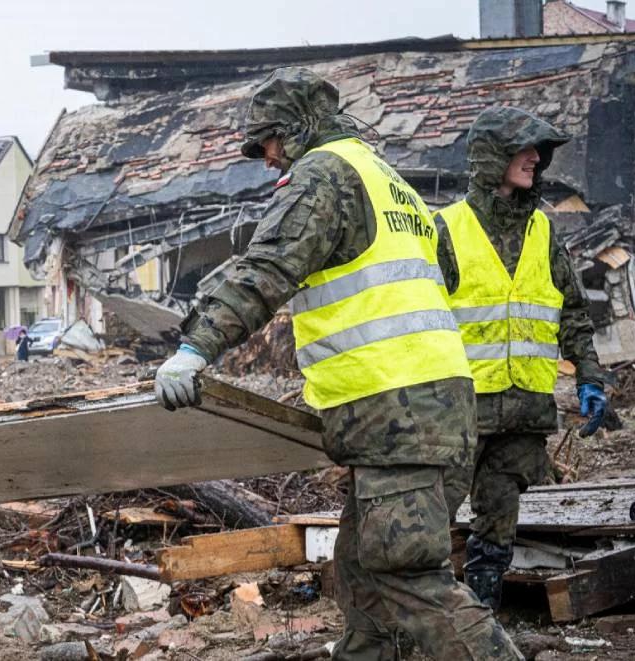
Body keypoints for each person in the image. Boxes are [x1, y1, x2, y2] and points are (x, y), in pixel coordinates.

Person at [154, 67, 521, 659]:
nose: (267, 155)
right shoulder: (389, 179)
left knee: (406, 577)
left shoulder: (323, 174)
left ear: (301, 125)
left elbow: (268, 267)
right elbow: (444, 273)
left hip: (395, 411)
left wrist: (195, 349)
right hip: (434, 408)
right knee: (361, 572)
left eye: (270, 138)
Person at [434, 107, 609, 610]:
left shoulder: (544, 232)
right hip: (458, 412)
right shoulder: (444, 229)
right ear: (492, 157)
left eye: (539, 150)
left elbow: (572, 311)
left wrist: (589, 377)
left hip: (522, 413)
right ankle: (425, 627)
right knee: (431, 524)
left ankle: (484, 617)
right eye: (524, 148)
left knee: (497, 529)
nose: (535, 158)